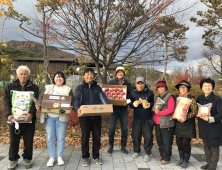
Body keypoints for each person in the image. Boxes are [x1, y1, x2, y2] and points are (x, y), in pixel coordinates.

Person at [3, 66, 39, 170]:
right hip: (14, 119)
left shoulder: (34, 87)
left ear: (28, 76)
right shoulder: (10, 87)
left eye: (25, 74)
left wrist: (31, 113)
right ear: (17, 75)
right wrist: (8, 114)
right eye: (21, 74)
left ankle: (27, 158)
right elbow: (6, 102)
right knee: (14, 140)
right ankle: (13, 159)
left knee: (28, 140)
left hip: (29, 119)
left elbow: (35, 103)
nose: (23, 76)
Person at [36, 71, 74, 167]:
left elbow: (71, 101)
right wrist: (39, 104)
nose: (59, 78)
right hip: (49, 117)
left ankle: (60, 156)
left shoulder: (68, 89)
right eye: (57, 77)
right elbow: (41, 97)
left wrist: (71, 107)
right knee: (50, 137)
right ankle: (52, 157)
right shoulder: (48, 87)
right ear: (54, 78)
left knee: (61, 137)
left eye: (61, 77)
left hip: (61, 116)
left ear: (64, 79)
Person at [74, 68, 110, 167]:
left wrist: (108, 107)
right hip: (84, 117)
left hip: (96, 116)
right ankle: (85, 157)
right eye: (87, 74)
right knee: (85, 137)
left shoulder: (97, 88)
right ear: (84, 76)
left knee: (97, 136)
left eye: (91, 74)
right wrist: (77, 109)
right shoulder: (80, 88)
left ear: (94, 76)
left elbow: (104, 97)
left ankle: (96, 156)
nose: (90, 75)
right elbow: (77, 99)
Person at [197, 78, 222, 170]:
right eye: (205, 86)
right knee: (206, 146)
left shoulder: (217, 99)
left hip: (214, 127)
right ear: (201, 87)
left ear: (212, 87)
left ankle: (212, 166)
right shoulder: (200, 98)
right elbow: (197, 110)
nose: (207, 87)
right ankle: (208, 163)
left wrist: (209, 118)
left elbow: (220, 114)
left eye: (209, 86)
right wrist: (198, 114)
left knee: (214, 146)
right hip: (203, 126)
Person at [107, 67, 132, 155]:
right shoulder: (111, 82)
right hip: (113, 109)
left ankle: (123, 146)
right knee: (112, 128)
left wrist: (127, 102)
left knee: (124, 128)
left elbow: (131, 96)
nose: (120, 73)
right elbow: (107, 94)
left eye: (122, 72)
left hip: (123, 109)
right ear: (116, 73)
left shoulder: (128, 84)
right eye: (118, 72)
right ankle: (110, 146)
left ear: (124, 74)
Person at [174, 80, 198, 168]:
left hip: (188, 125)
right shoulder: (176, 97)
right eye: (181, 87)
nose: (183, 89)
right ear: (179, 89)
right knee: (179, 142)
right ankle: (181, 159)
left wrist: (184, 116)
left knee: (186, 143)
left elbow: (195, 111)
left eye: (185, 87)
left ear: (188, 88)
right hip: (178, 124)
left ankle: (186, 160)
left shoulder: (191, 98)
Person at [130, 77, 154, 162]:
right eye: (138, 83)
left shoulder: (150, 92)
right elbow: (130, 104)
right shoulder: (133, 93)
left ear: (144, 84)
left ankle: (147, 153)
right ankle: (137, 151)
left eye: (141, 83)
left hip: (147, 117)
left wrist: (148, 104)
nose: (140, 85)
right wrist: (134, 104)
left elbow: (153, 103)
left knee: (148, 136)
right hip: (137, 117)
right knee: (136, 135)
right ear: (136, 84)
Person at [153, 80, 175, 165]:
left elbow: (171, 109)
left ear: (166, 87)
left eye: (162, 87)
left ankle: (166, 158)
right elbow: (156, 107)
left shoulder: (170, 96)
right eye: (159, 87)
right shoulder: (157, 96)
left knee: (167, 141)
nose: (161, 89)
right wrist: (153, 110)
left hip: (166, 123)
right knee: (160, 141)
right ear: (157, 88)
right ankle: (162, 155)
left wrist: (159, 113)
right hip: (158, 122)